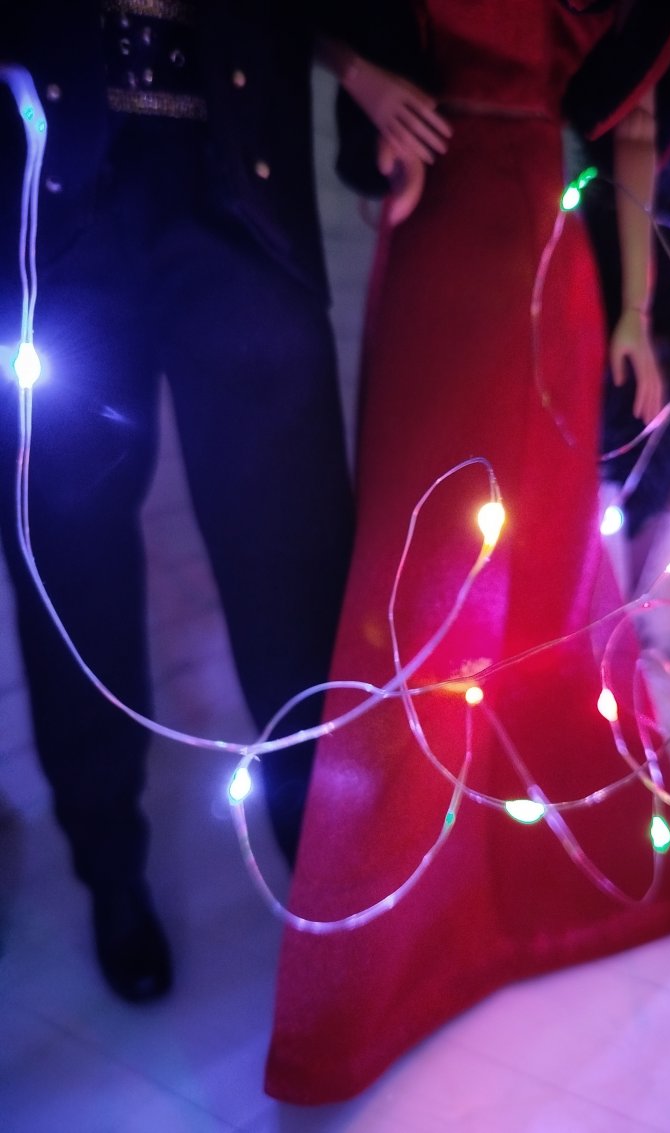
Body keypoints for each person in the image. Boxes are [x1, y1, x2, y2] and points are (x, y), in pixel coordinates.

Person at [265, 0, 670, 1104]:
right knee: (414, 573)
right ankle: (393, 929)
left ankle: (523, 879)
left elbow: (633, 125)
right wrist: (364, 82)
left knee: (545, 567)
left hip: (540, 254)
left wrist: (634, 308)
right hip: (430, 244)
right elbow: (312, 17)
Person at [0, 0, 449, 1004]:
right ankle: (110, 870)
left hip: (239, 185)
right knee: (69, 562)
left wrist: (366, 86)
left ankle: (328, 861)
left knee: (294, 555)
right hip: (56, 204)